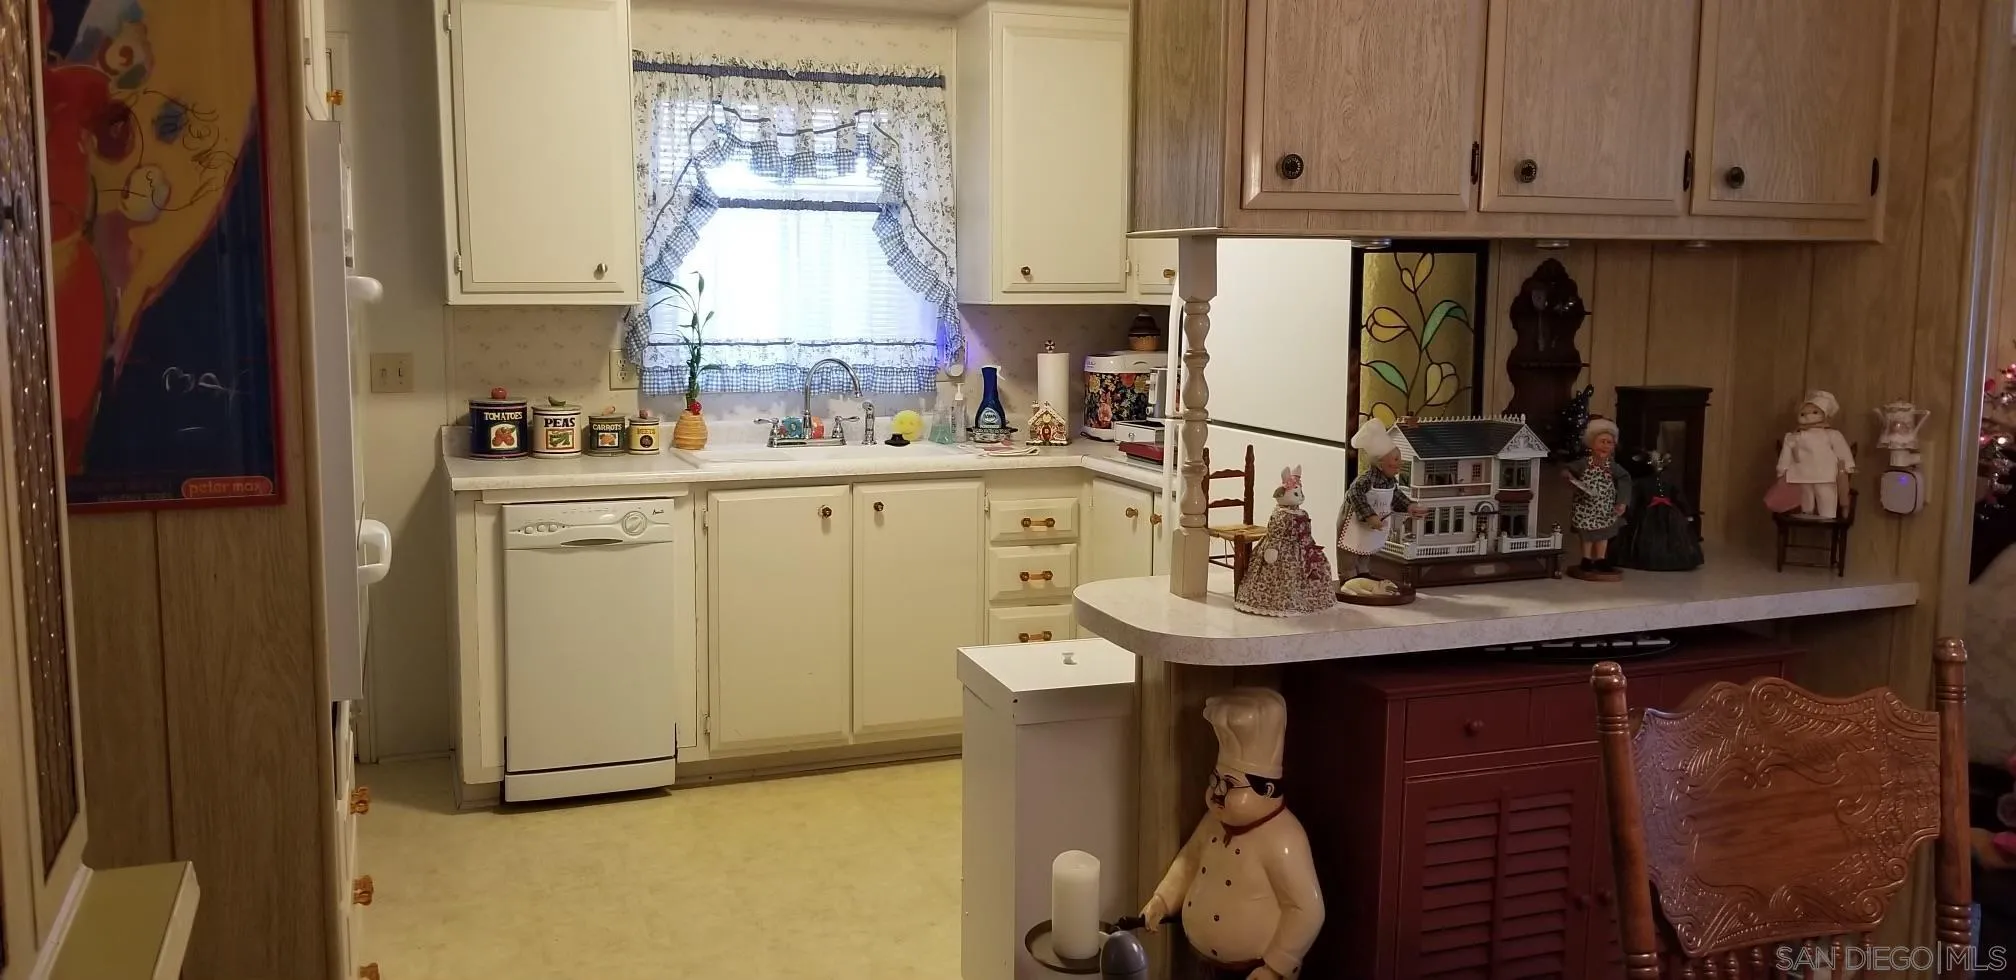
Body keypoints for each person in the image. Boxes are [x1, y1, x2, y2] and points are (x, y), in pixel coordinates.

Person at [1337, 419, 1429, 585]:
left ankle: (1363, 573)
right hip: (1354, 522)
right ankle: (1348, 577)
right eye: (1395, 459)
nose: (1399, 463)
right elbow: (1355, 494)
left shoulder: (1390, 482)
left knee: (1366, 547)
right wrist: (1369, 516)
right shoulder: (1364, 480)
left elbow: (1396, 495)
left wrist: (1410, 505)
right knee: (1349, 550)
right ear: (1380, 464)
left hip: (1373, 525)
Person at [1777, 390, 1857, 520]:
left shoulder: (1831, 434)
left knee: (1826, 495)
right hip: (1801, 474)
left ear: (1824, 415)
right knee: (1805, 495)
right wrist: (1782, 468)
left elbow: (1842, 450)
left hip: (1825, 474)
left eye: (1814, 412)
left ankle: (1828, 515)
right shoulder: (1793, 437)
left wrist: (1848, 465)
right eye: (1803, 413)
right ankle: (1806, 512)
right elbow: (1786, 454)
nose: (1808, 416)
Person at [1566, 417, 1631, 577]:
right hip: (1585, 507)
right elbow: (1568, 470)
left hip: (1605, 508)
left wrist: (1622, 502)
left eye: (1609, 443)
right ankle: (1587, 559)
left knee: (1604, 533)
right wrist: (1568, 476)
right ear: (1591, 443)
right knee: (1587, 534)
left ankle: (1601, 559)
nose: (1605, 446)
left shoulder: (1613, 467)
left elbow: (1625, 479)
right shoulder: (1583, 464)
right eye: (1602, 441)